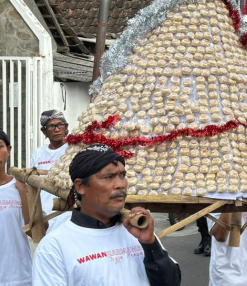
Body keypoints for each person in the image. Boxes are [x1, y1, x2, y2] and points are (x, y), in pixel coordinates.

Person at [32, 144, 181, 286]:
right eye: (109, 177)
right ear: (80, 186)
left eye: (122, 175)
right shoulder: (54, 247)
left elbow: (171, 282)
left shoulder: (137, 232)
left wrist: (150, 244)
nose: (120, 184)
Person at [0, 130, 32, 286]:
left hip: (19, 277)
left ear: (9, 150)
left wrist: (23, 192)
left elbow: (35, 232)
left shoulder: (21, 186)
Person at [30, 109, 69, 216]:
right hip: (44, 212)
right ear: (44, 131)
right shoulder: (39, 153)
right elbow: (32, 182)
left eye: (60, 125)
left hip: (67, 212)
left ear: (66, 127)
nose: (57, 129)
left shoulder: (73, 149)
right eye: (51, 126)